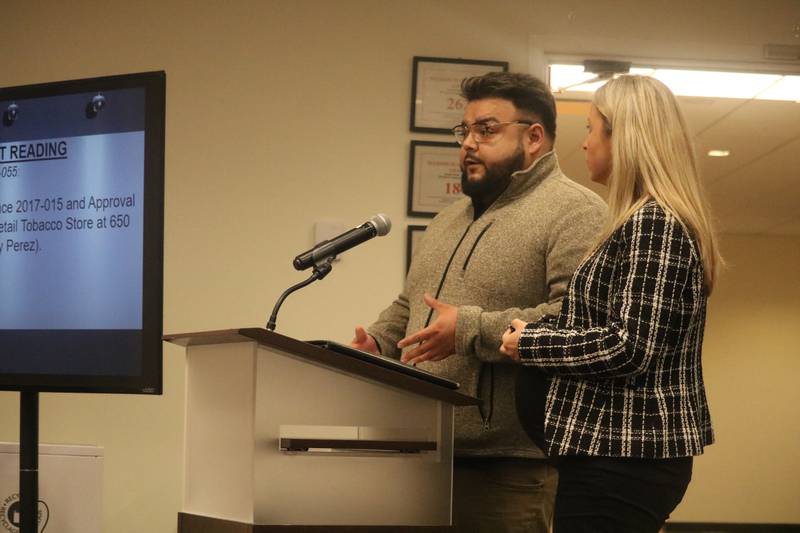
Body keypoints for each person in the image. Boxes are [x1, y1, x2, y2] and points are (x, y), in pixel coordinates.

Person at [351, 72, 607, 532]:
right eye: (463, 130)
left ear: (533, 137)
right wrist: (379, 342)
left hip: (509, 465)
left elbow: (574, 320)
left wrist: (469, 329)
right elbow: (412, 305)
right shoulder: (448, 219)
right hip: (424, 452)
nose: (467, 143)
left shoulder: (576, 211)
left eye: (486, 130)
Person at [500, 75, 722, 533]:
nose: (584, 145)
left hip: (623, 458)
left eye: (592, 129)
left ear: (624, 137)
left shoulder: (655, 222)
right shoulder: (639, 220)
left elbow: (630, 346)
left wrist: (532, 343)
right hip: (612, 455)